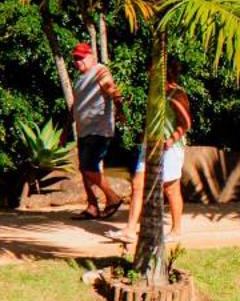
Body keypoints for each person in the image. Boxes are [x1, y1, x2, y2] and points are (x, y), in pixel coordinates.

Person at [126, 68, 192, 247]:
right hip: (150, 145)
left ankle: (176, 229)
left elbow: (186, 122)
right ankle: (130, 229)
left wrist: (170, 140)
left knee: (170, 188)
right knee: (137, 184)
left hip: (169, 147)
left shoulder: (176, 94)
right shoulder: (155, 93)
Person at [68, 42, 126, 219]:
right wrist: (65, 130)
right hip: (83, 130)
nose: (78, 62)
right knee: (84, 168)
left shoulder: (100, 71)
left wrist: (120, 111)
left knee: (88, 167)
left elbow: (113, 91)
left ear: (91, 56)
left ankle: (113, 197)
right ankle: (92, 206)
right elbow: (74, 106)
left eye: (81, 57)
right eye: (76, 58)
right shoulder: (79, 79)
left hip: (99, 129)